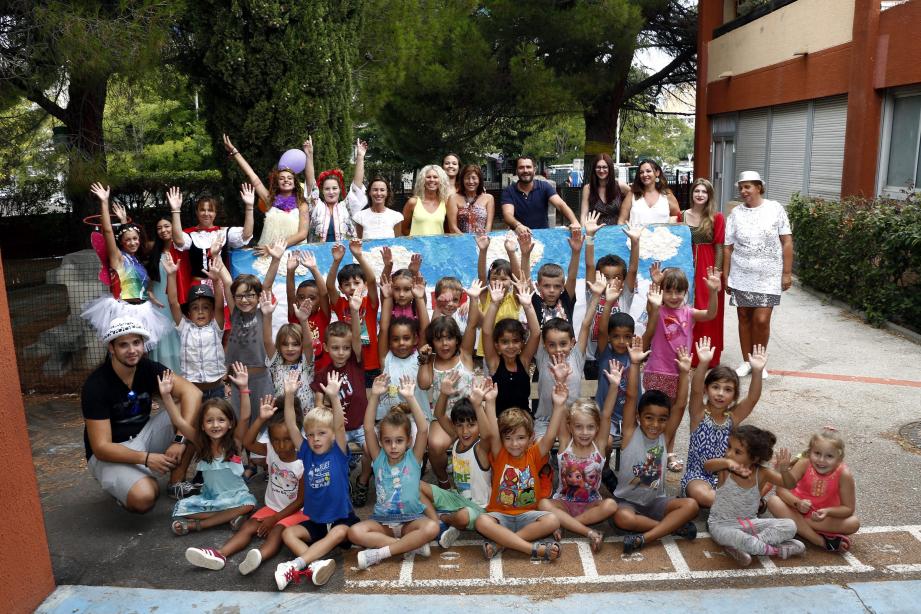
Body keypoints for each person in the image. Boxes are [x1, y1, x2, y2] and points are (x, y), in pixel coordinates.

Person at [82, 317, 203, 512]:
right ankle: (132, 483)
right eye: (123, 345)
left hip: (144, 436)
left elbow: (192, 393)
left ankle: (176, 482)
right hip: (111, 453)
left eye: (136, 343)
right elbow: (101, 447)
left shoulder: (147, 368)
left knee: (197, 410)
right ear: (111, 348)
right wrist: (146, 459)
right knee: (145, 497)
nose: (132, 350)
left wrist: (180, 440)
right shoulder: (96, 385)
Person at [182, 394, 307, 575]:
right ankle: (220, 554)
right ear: (270, 439)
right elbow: (248, 442)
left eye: (287, 439)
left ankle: (258, 556)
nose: (280, 445)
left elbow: (301, 501)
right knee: (247, 526)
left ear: (295, 437)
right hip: (273, 507)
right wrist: (261, 419)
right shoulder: (271, 449)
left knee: (276, 531)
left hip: (295, 512)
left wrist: (275, 519)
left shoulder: (303, 462)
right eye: (275, 440)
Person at [613, 337, 699, 554]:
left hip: (656, 502)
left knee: (691, 505)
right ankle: (671, 528)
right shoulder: (630, 433)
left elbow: (680, 405)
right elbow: (632, 396)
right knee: (621, 517)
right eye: (649, 418)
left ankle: (646, 537)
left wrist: (684, 373)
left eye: (662, 419)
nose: (655, 424)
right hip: (628, 501)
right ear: (639, 417)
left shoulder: (664, 435)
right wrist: (634, 364)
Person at [274, 371, 357, 589]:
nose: (315, 439)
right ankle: (317, 565)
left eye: (321, 433)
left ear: (331, 435)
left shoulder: (338, 451)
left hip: (341, 518)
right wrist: (290, 394)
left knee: (341, 532)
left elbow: (339, 425)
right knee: (288, 533)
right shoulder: (306, 452)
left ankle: (296, 564)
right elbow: (292, 425)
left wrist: (334, 396)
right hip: (318, 522)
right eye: (310, 435)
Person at [473, 372, 568, 562]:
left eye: (520, 438)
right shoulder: (500, 453)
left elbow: (549, 438)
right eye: (508, 438)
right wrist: (489, 402)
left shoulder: (534, 454)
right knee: (481, 521)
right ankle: (531, 548)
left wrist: (558, 406)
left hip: (528, 515)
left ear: (531, 437)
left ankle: (502, 543)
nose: (514, 444)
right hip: (500, 516)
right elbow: (492, 432)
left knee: (553, 520)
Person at [349, 374, 440, 570]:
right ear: (381, 442)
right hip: (383, 524)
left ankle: (382, 552)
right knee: (354, 533)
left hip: (411, 522)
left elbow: (423, 430)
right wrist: (373, 396)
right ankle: (411, 546)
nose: (393, 446)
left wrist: (410, 397)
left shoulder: (413, 458)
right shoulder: (379, 458)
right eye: (388, 441)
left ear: (408, 441)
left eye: (399, 441)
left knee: (431, 527)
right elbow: (367, 428)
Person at [641, 267, 721, 472]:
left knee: (673, 416)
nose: (674, 296)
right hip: (656, 371)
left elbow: (711, 314)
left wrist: (713, 292)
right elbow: (651, 308)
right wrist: (657, 286)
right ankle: (651, 454)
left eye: (679, 291)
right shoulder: (657, 309)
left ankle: (667, 453)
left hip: (680, 372)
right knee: (655, 416)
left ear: (686, 292)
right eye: (669, 291)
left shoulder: (689, 312)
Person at [163, 365, 257, 536]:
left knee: (248, 505)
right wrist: (166, 395)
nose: (215, 425)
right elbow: (179, 420)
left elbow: (245, 416)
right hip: (211, 498)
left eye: (221, 420)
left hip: (237, 497)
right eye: (210, 421)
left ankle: (196, 525)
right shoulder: (200, 442)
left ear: (230, 423)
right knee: (184, 508)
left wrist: (243, 388)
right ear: (202, 426)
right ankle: (230, 517)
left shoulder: (235, 443)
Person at [538, 361, 622, 552]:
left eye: (590, 427)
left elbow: (607, 415)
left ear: (597, 428)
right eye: (579, 426)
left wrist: (614, 386)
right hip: (563, 504)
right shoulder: (565, 443)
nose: (585, 432)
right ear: (570, 427)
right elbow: (560, 407)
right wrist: (560, 380)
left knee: (610, 506)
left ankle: (567, 524)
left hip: (591, 506)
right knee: (543, 503)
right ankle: (588, 532)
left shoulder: (598, 446)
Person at [82, 183, 173, 348]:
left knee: (141, 351)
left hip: (143, 309)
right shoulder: (118, 258)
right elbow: (109, 231)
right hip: (125, 310)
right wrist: (104, 201)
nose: (133, 242)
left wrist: (124, 221)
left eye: (135, 239)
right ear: (121, 242)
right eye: (128, 240)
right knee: (126, 349)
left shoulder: (136, 259)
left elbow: (139, 281)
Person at [723, 170, 793, 379]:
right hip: (741, 273)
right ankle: (747, 361)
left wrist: (786, 273)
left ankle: (759, 361)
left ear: (759, 187)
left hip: (768, 275)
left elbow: (787, 241)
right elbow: (727, 247)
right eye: (741, 187)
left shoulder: (775, 208)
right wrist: (726, 275)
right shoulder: (736, 213)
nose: (743, 191)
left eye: (748, 187)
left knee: (761, 319)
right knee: (744, 317)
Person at [682, 337, 766, 509]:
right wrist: (703, 363)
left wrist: (757, 371)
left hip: (726, 475)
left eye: (727, 390)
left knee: (751, 479)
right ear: (707, 389)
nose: (720, 393)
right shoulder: (698, 413)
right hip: (697, 476)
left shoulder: (732, 417)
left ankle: (735, 502)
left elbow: (752, 399)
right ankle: (740, 503)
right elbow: (695, 389)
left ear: (734, 396)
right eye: (715, 387)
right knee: (702, 495)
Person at [705, 425, 804, 566]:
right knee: (740, 538)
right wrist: (728, 463)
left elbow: (789, 485)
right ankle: (775, 550)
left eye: (737, 451)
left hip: (750, 524)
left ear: (755, 458)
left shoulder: (762, 473)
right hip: (721, 526)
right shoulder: (724, 469)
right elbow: (707, 466)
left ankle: (744, 546)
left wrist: (784, 470)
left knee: (790, 525)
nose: (729, 453)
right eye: (729, 447)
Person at [418, 285, 482, 488]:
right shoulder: (431, 361)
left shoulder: (464, 355)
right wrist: (424, 360)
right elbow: (424, 383)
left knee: (482, 440)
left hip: (470, 416)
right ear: (432, 342)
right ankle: (445, 482)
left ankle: (479, 479)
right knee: (435, 445)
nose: (445, 344)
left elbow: (472, 325)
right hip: (442, 415)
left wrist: (473, 299)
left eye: (449, 338)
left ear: (457, 340)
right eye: (439, 339)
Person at [310, 311, 373, 506]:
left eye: (345, 348)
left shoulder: (355, 363)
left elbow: (356, 338)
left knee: (372, 451)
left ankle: (362, 481)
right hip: (339, 429)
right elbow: (318, 403)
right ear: (326, 347)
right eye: (335, 348)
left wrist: (354, 312)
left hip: (361, 425)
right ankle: (344, 482)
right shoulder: (323, 374)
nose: (341, 352)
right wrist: (328, 409)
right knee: (337, 456)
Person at [424, 376, 494, 545]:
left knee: (463, 517)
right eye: (460, 425)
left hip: (479, 509)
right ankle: (440, 523)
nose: (465, 431)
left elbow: (488, 434)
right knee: (416, 487)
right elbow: (439, 415)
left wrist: (478, 406)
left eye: (471, 425)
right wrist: (443, 393)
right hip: (457, 499)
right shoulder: (457, 440)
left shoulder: (481, 448)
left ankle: (445, 519)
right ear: (454, 426)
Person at [768, 427, 860, 552]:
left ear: (839, 459)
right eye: (817, 453)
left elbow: (848, 509)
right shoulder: (804, 463)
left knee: (854, 523)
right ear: (810, 452)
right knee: (773, 501)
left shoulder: (844, 474)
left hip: (821, 519)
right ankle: (820, 540)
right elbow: (781, 490)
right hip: (797, 511)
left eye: (829, 456)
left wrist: (828, 511)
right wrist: (797, 503)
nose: (821, 460)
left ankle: (798, 527)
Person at [162, 254, 228, 403]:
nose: (200, 311)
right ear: (189, 313)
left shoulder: (216, 327)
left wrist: (216, 281)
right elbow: (173, 303)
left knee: (216, 425)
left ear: (211, 312)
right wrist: (171, 275)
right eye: (195, 308)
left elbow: (219, 304)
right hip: (192, 391)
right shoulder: (184, 327)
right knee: (195, 425)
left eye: (205, 308)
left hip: (217, 389)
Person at [223, 134, 309, 248]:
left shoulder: (302, 204)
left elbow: (302, 234)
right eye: (281, 178)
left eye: (289, 178)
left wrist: (274, 247)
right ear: (277, 183)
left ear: (295, 183)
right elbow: (252, 175)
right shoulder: (270, 200)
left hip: (293, 253)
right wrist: (235, 152)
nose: (286, 180)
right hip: (267, 252)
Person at [584, 212, 641, 379]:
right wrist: (589, 237)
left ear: (623, 281)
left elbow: (632, 269)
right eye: (605, 277)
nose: (610, 282)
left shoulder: (623, 297)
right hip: (592, 358)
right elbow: (589, 265)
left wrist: (635, 242)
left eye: (616, 278)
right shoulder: (593, 292)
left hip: (619, 355)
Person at [168, 186, 254, 286]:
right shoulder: (191, 234)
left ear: (215, 213)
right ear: (197, 212)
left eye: (210, 210)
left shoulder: (223, 232)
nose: (206, 213)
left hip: (222, 285)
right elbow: (178, 241)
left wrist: (249, 206)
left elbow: (246, 235)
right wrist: (175, 210)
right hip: (199, 286)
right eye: (202, 210)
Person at [682, 178, 726, 367]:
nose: (700, 194)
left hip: (707, 267)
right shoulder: (680, 215)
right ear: (692, 194)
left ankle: (708, 355)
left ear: (709, 196)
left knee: (707, 307)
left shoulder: (717, 217)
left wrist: (716, 273)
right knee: (687, 308)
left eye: (704, 192)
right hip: (686, 265)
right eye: (696, 191)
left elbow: (720, 247)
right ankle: (687, 352)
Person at [482, 277, 541, 416]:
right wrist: (494, 303)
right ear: (496, 345)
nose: (511, 346)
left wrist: (527, 306)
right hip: (499, 423)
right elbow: (486, 332)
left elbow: (536, 333)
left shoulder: (524, 361)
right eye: (505, 342)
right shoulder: (494, 363)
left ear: (522, 343)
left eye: (515, 341)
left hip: (523, 422)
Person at [326, 238, 382, 377]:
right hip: (347, 362)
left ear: (365, 285)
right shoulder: (341, 304)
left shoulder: (370, 303)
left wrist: (358, 255)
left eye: (357, 283)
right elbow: (329, 286)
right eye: (346, 284)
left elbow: (373, 280)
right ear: (341, 288)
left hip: (370, 362)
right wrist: (336, 261)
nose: (352, 287)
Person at [260, 290, 315, 411]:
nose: (290, 349)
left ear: (301, 346)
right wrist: (267, 316)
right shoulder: (276, 363)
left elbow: (308, 343)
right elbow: (267, 341)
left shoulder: (306, 363)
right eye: (285, 344)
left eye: (295, 344)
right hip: (282, 418)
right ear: (279, 346)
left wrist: (304, 320)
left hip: (307, 421)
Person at [306, 139, 368, 243]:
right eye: (327, 189)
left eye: (334, 188)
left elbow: (357, 186)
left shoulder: (347, 207)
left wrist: (360, 157)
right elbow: (310, 182)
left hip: (345, 256)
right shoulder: (316, 206)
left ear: (340, 189)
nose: (331, 192)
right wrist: (309, 154)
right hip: (317, 256)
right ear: (322, 191)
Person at [144, 214, 184, 371]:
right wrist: (149, 292)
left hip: (177, 299)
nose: (163, 230)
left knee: (178, 332)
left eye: (167, 226)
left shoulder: (182, 248)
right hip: (159, 300)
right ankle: (162, 375)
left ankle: (182, 376)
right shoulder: (154, 251)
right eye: (159, 228)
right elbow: (149, 279)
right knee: (162, 337)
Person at [501, 156, 580, 235]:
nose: (525, 170)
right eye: (521, 167)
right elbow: (507, 214)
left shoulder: (544, 187)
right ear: (517, 171)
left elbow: (560, 205)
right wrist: (517, 225)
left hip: (543, 235)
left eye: (528, 167)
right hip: (519, 235)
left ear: (534, 170)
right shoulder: (508, 191)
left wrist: (574, 222)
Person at [285, 250, 331, 372]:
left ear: (320, 301)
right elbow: (290, 294)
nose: (306, 301)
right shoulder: (295, 316)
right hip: (300, 369)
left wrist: (314, 269)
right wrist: (290, 271)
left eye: (312, 298)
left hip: (323, 369)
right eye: (301, 297)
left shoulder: (323, 316)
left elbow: (324, 294)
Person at [617, 159, 680, 225]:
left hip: (661, 235)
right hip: (636, 235)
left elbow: (677, 219)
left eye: (648, 171)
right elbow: (621, 221)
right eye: (641, 172)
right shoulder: (632, 194)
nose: (644, 174)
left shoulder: (667, 195)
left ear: (657, 173)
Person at [402, 164, 459, 236]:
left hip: (438, 246)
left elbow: (450, 228)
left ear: (441, 181)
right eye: (428, 177)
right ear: (422, 180)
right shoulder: (413, 202)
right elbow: (403, 229)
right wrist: (416, 241)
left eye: (435, 177)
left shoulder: (445, 203)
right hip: (417, 246)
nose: (432, 180)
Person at [580, 154, 629, 226]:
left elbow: (634, 202)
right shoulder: (588, 188)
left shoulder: (621, 186)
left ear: (610, 168)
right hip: (595, 232)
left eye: (604, 167)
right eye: (598, 167)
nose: (601, 170)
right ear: (594, 169)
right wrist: (584, 230)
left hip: (617, 232)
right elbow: (583, 215)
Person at [449, 164, 494, 234]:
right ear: (462, 180)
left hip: (482, 241)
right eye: (467, 178)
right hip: (460, 241)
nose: (471, 181)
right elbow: (453, 227)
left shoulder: (489, 198)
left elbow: (489, 226)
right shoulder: (453, 198)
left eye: (474, 178)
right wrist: (466, 241)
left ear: (479, 180)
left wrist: (483, 241)